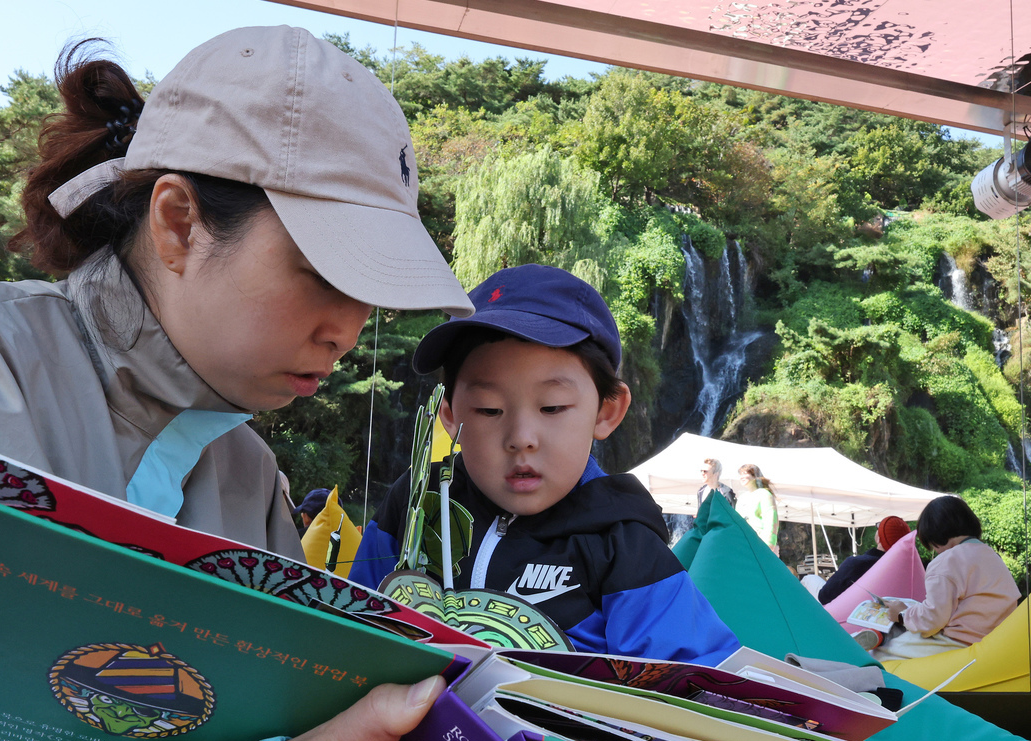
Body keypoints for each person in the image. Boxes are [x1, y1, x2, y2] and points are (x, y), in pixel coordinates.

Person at [0, 28, 609, 741]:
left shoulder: (248, 473)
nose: (347, 330)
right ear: (177, 222)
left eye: (369, 295)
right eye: (322, 273)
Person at [354, 264, 741, 666]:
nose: (521, 436)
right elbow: (354, 629)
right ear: (450, 416)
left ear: (607, 411)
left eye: (552, 407)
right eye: (489, 409)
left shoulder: (623, 542)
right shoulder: (415, 504)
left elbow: (690, 679)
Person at [874, 496, 1020, 661]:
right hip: (997, 640)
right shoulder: (992, 556)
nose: (935, 551)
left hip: (959, 641)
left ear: (935, 536)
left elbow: (932, 619)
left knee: (881, 654)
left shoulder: (946, 561)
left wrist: (901, 613)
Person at [818, 515, 912, 605]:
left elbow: (824, 596)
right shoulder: (910, 571)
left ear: (879, 538)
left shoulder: (856, 564)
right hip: (890, 615)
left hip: (848, 614)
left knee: (808, 579)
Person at [735, 462, 779, 552]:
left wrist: (768, 544)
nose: (741, 477)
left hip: (760, 543)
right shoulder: (741, 498)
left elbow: (771, 520)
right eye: (740, 474)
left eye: (745, 474)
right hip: (743, 544)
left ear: (754, 476)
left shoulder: (764, 494)